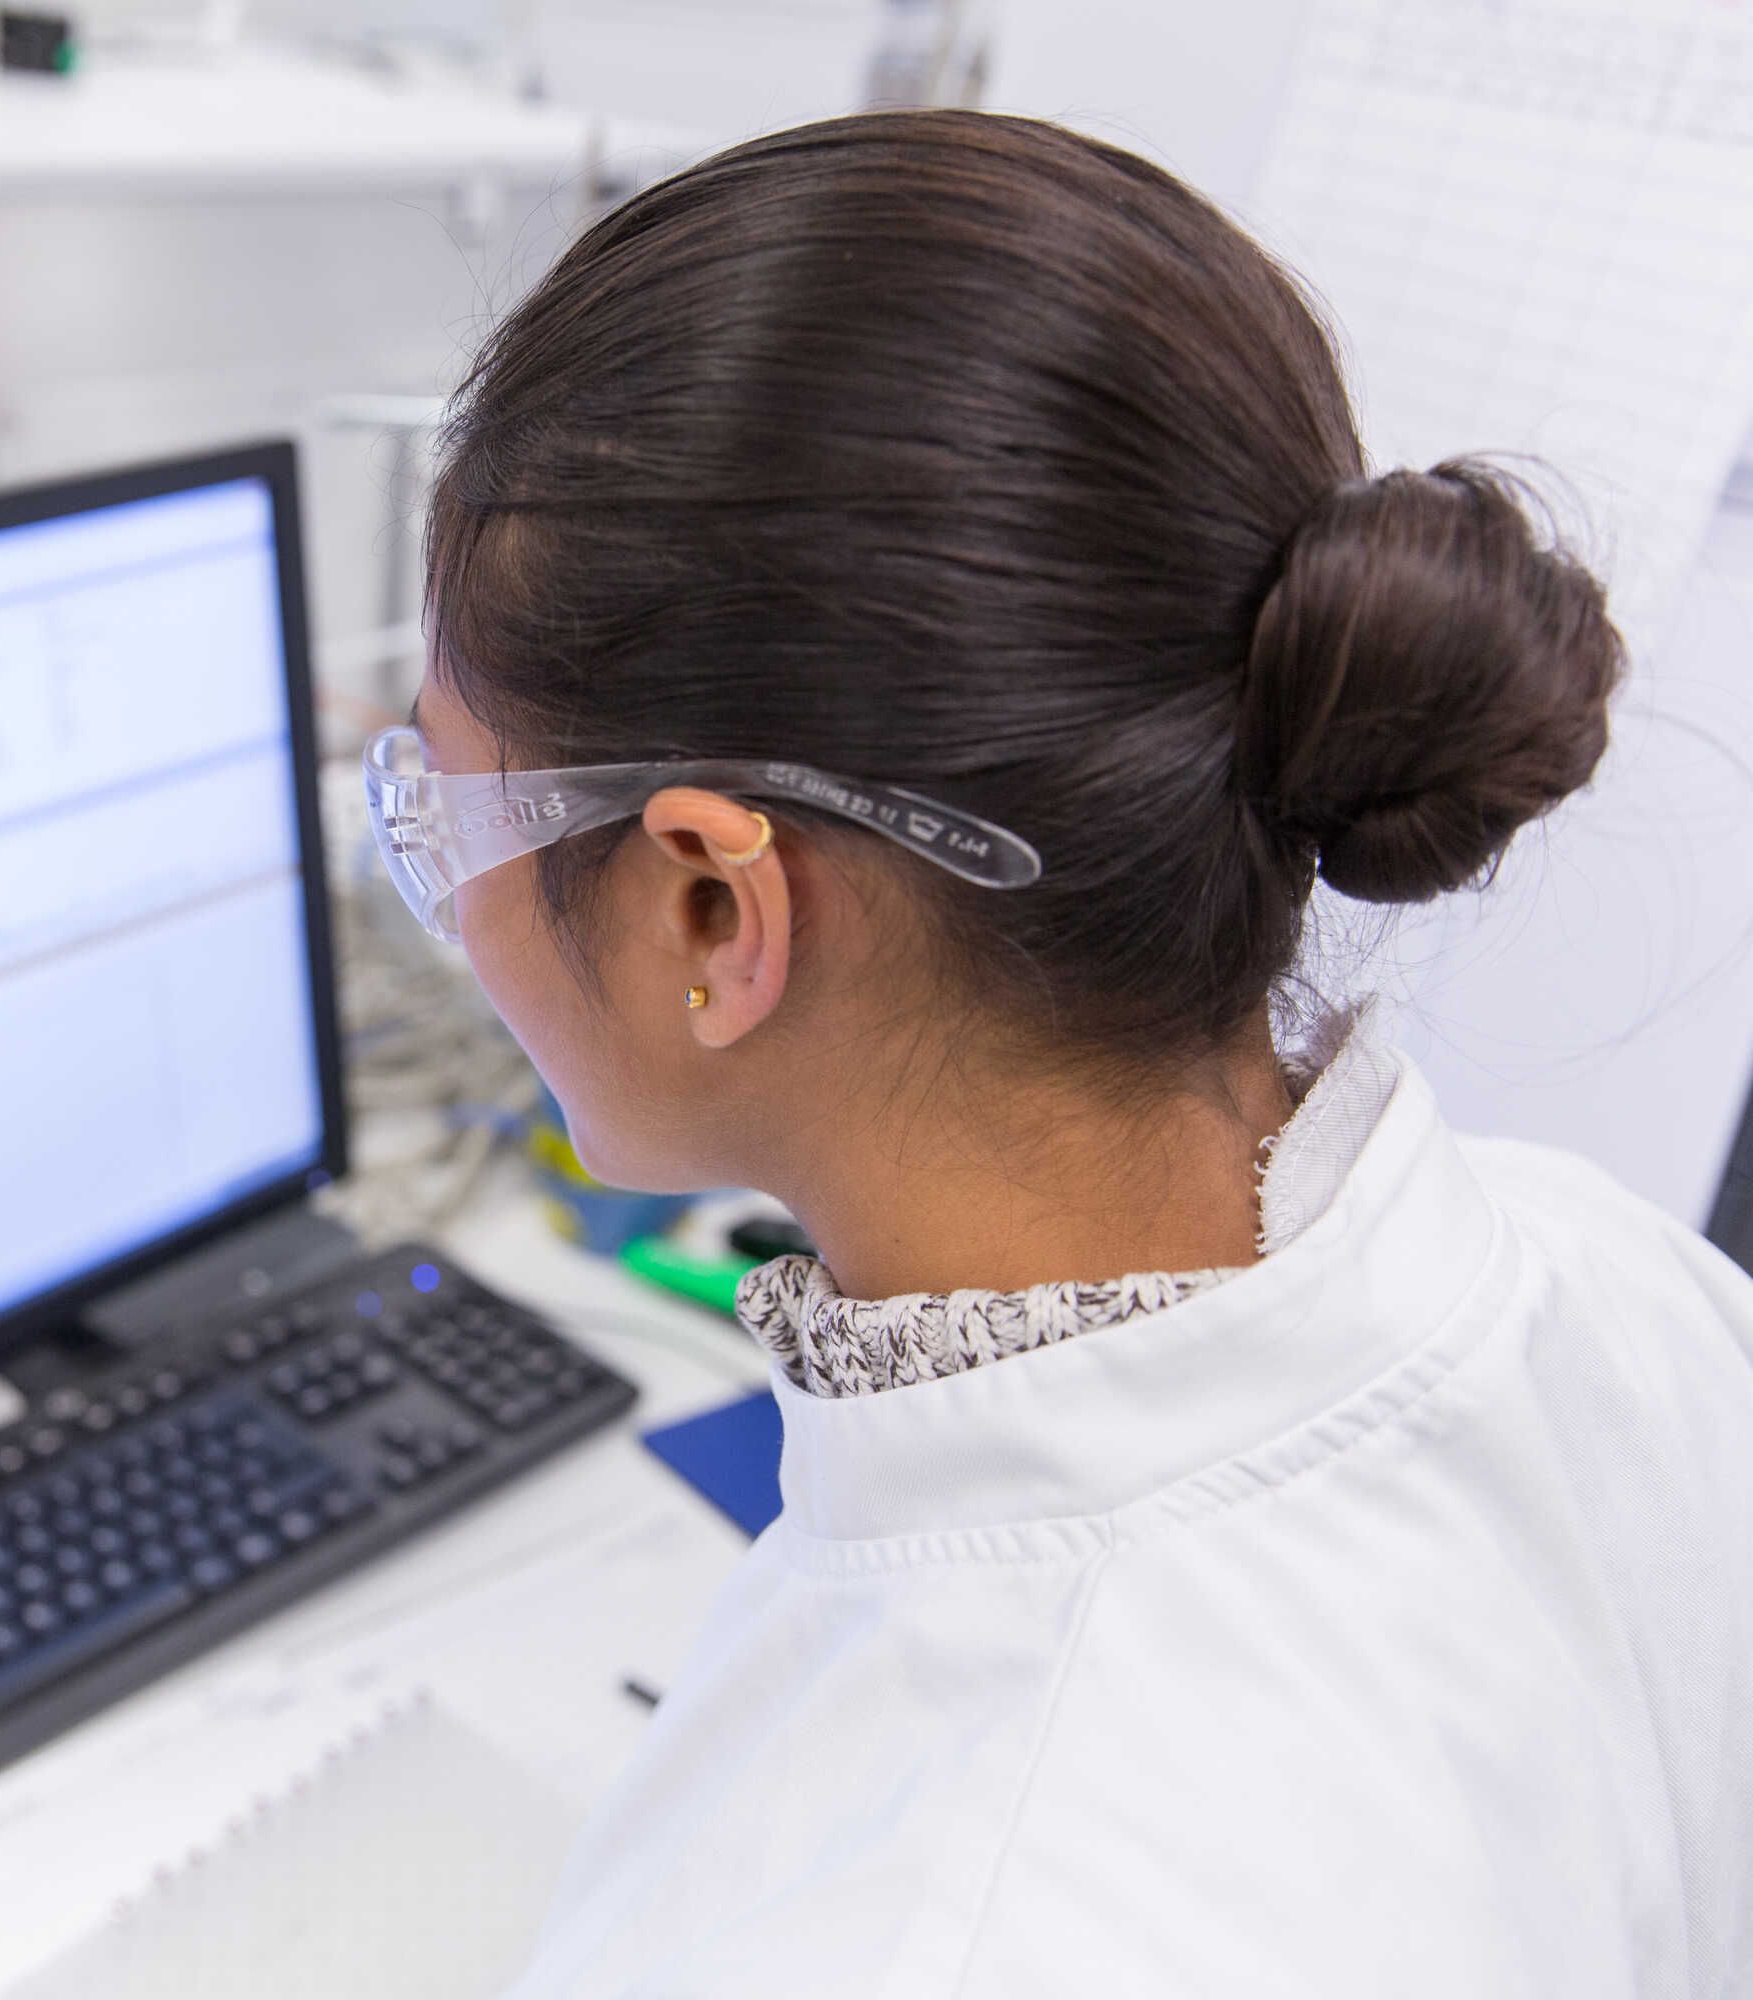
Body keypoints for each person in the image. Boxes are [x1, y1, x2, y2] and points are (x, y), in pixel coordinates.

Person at [365, 111, 1753, 1996]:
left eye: (440, 811)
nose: (446, 896)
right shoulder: (1619, 1281)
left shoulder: (968, 1914)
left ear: (711, 910)